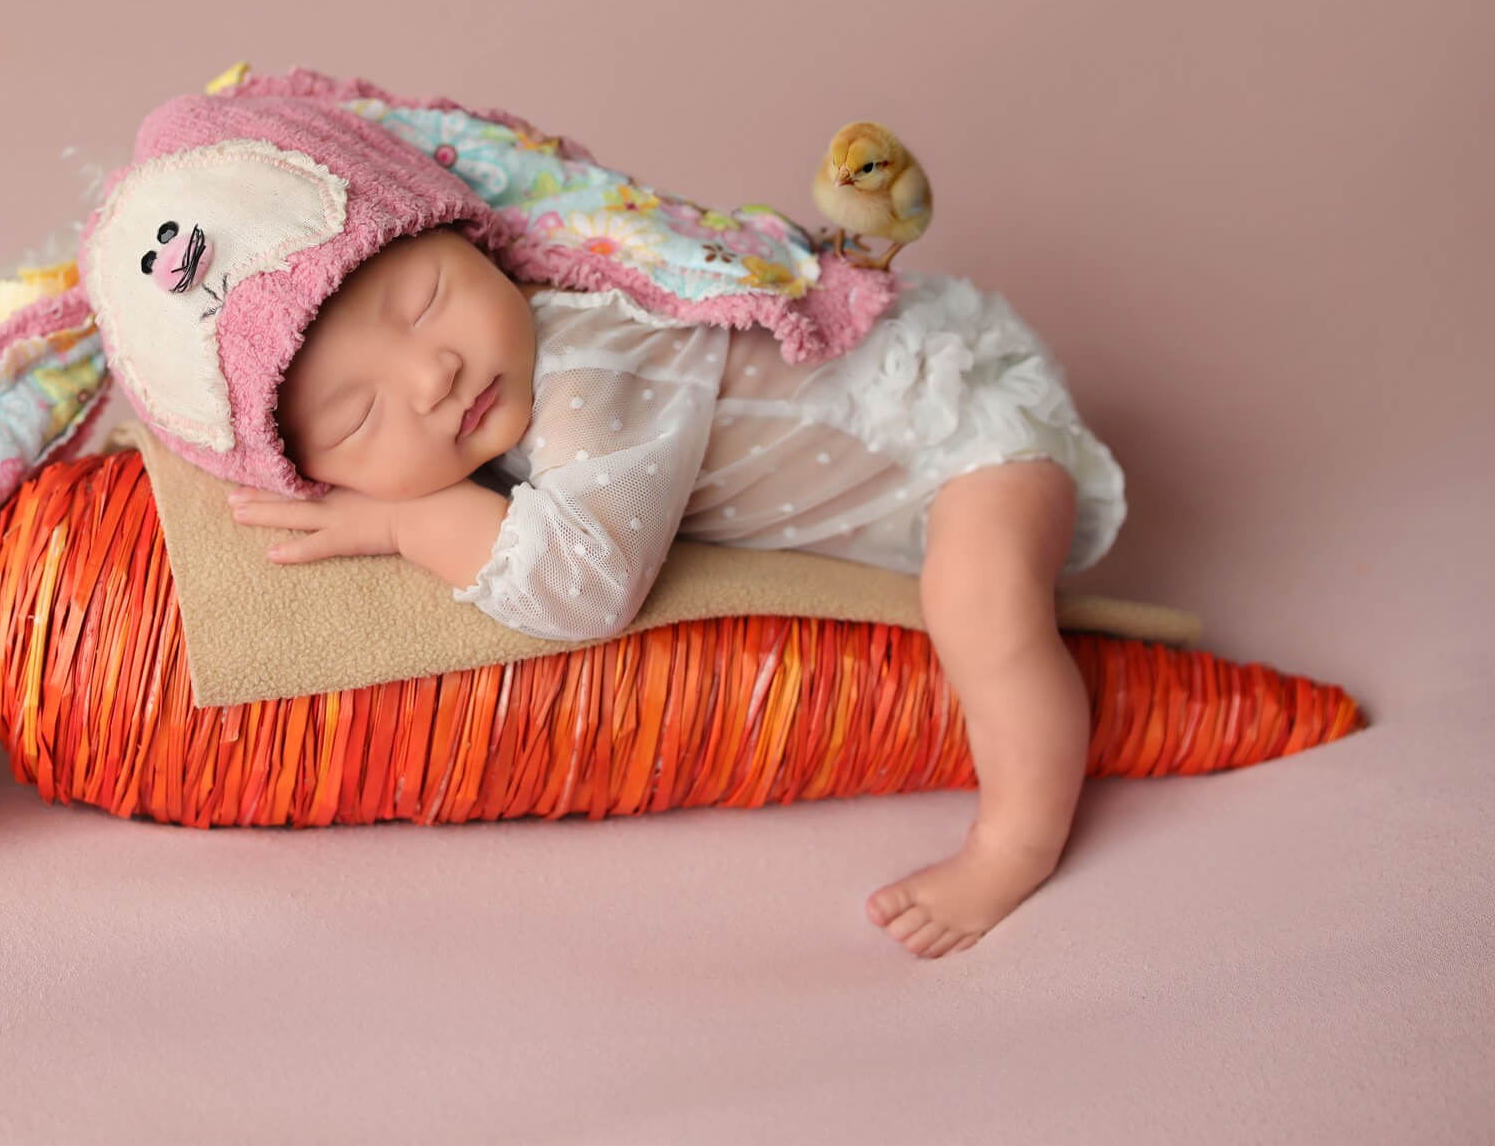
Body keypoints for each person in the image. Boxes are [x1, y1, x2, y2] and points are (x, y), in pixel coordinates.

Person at [225, 224, 1126, 962]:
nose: (433, 376)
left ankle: (1016, 843)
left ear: (474, 241)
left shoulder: (595, 358)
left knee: (979, 605)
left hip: (960, 427)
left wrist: (405, 523)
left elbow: (585, 586)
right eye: (359, 415)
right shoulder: (499, 376)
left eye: (426, 301)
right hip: (911, 424)